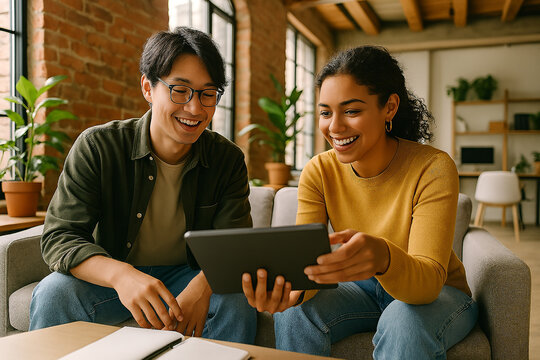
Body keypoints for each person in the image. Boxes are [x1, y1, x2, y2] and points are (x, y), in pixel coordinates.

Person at [242, 46, 478, 358]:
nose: (335, 127)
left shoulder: (432, 167)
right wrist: (291, 293)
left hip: (438, 293)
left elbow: (427, 283)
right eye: (326, 112)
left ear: (389, 107)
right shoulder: (319, 171)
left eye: (351, 111)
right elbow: (309, 265)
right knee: (294, 314)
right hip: (361, 289)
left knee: (403, 321)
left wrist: (384, 257)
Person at [30, 27, 257, 343]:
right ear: (148, 88)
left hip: (186, 274)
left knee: (235, 299)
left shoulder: (226, 159)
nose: (195, 108)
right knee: (55, 292)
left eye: (208, 93)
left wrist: (203, 286)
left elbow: (235, 244)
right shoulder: (99, 146)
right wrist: (121, 276)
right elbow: (60, 236)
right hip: (112, 277)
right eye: (180, 90)